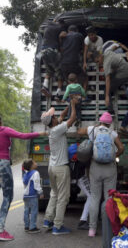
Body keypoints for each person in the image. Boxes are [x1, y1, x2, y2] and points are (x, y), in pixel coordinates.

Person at [0, 114, 47, 241]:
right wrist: (40, 134)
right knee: (7, 197)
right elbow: (23, 136)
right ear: (0, 121)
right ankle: (0, 230)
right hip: (2, 165)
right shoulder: (4, 130)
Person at [77, 112, 124, 237]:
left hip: (95, 167)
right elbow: (121, 148)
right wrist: (114, 156)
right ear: (109, 124)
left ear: (100, 121)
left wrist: (94, 126)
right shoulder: (112, 133)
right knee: (109, 198)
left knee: (94, 198)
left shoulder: (93, 130)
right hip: (110, 168)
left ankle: (92, 229)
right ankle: (108, 227)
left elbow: (79, 131)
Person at [42, 98, 78, 235]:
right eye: (55, 116)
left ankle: (47, 220)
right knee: (63, 197)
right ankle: (57, 226)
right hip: (61, 168)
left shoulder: (53, 129)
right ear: (52, 120)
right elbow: (72, 118)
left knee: (54, 194)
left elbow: (63, 116)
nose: (58, 117)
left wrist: (69, 105)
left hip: (52, 167)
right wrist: (74, 105)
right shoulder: (58, 129)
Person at [57, 25, 88, 101]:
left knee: (69, 81)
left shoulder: (63, 37)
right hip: (74, 62)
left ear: (68, 31)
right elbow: (83, 48)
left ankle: (70, 98)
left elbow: (60, 48)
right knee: (85, 77)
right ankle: (83, 96)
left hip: (63, 64)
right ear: (76, 30)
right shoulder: (79, 35)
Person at [40, 19, 66, 97]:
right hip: (52, 51)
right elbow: (62, 36)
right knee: (59, 72)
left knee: (49, 71)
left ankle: (45, 86)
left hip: (43, 51)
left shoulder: (47, 26)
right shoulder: (60, 28)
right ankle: (58, 94)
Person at [22, 159, 44, 233]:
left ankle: (26, 226)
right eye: (34, 162)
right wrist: (40, 192)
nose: (36, 163)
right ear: (31, 166)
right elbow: (37, 184)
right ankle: (33, 227)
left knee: (26, 211)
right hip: (32, 195)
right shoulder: (35, 173)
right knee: (34, 211)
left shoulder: (26, 174)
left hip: (25, 195)